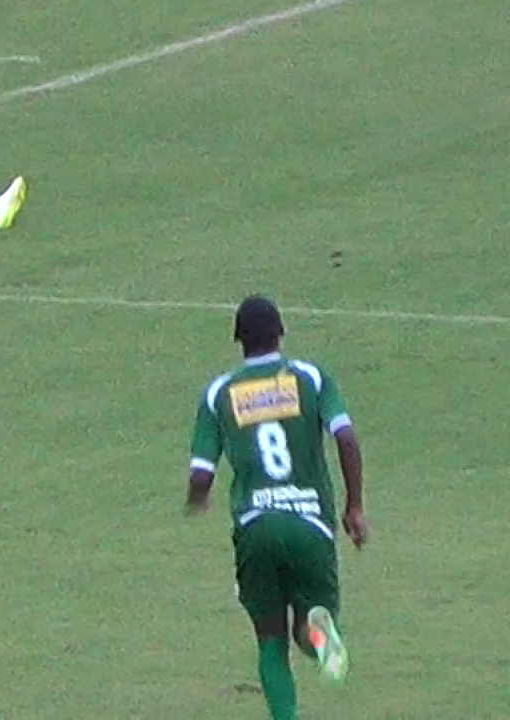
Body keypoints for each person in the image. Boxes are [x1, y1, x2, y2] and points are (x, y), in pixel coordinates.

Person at [185, 295, 369, 720]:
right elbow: (345, 438)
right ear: (281, 333)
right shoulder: (310, 378)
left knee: (270, 640)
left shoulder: (219, 394)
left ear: (238, 341)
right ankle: (319, 637)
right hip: (310, 524)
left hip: (256, 527)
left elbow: (200, 476)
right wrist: (354, 507)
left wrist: (196, 501)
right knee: (308, 633)